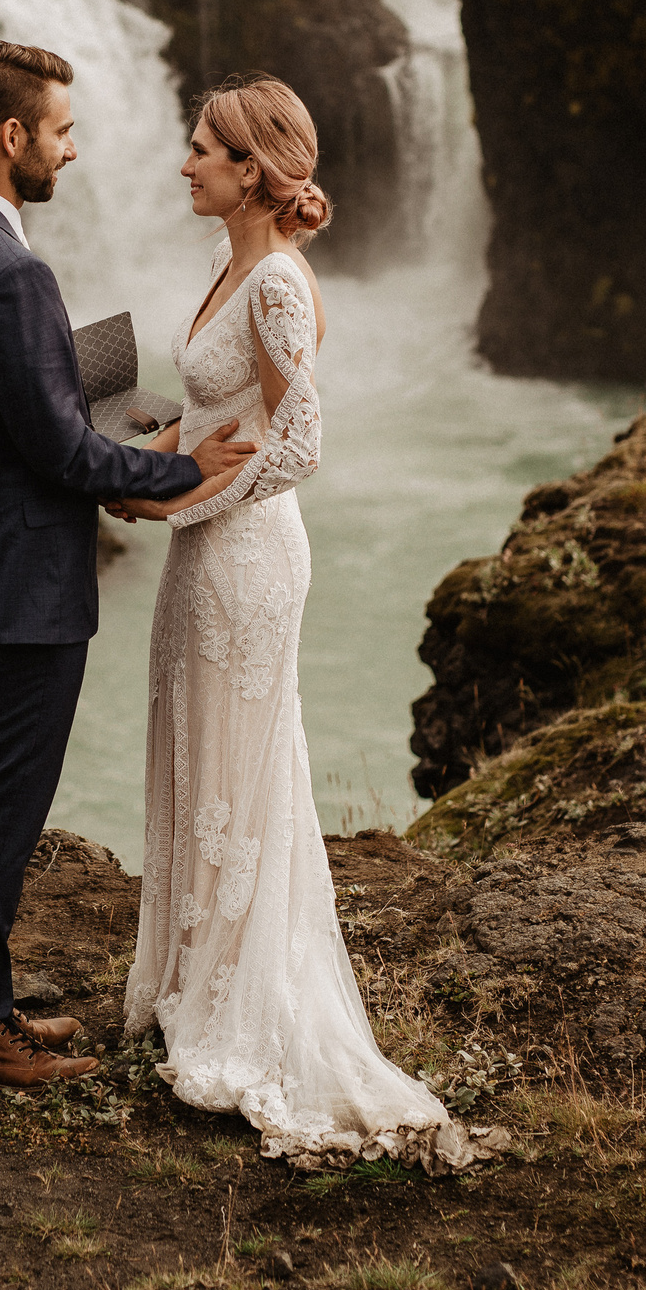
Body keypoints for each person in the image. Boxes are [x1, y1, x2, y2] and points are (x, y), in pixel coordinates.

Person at [104, 73, 488, 1170]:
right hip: (206, 547)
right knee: (202, 755)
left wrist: (177, 497)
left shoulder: (273, 279)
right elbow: (231, 416)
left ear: (252, 172)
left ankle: (240, 1005)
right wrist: (154, 450)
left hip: (246, 558)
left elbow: (302, 443)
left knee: (239, 770)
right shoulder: (231, 261)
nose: (182, 164)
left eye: (200, 151)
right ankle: (190, 976)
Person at [0, 41, 258, 1091]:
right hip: (26, 580)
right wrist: (178, 465)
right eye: (59, 131)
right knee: (3, 797)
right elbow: (63, 455)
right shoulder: (10, 272)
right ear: (13, 139)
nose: (71, 149)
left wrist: (51, 411)